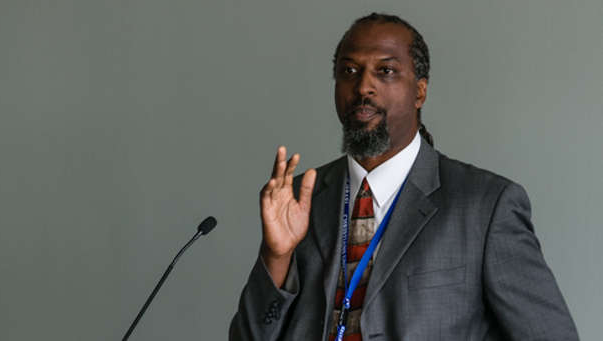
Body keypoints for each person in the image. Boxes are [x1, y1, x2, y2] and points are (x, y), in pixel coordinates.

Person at [230, 13, 578, 340]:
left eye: (386, 72)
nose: (363, 86)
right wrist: (275, 257)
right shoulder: (297, 198)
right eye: (349, 71)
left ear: (420, 91)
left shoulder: (486, 207)